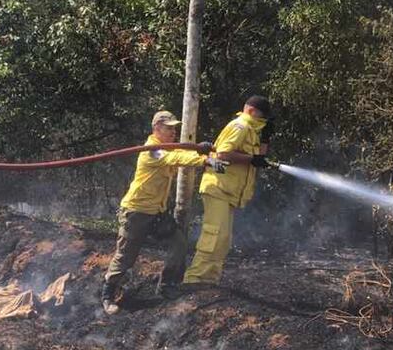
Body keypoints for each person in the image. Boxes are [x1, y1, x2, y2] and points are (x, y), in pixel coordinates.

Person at [102, 110, 227, 315]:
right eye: (168, 128)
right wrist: (205, 160)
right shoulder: (152, 150)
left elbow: (179, 155)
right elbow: (174, 157)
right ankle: (107, 295)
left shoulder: (165, 149)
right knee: (126, 256)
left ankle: (166, 285)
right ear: (156, 128)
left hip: (157, 212)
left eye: (174, 128)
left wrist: (201, 153)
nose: (173, 132)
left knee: (178, 242)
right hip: (136, 212)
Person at [182, 95, 275, 287]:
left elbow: (258, 159)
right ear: (250, 111)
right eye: (261, 117)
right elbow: (223, 154)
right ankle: (194, 279)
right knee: (213, 235)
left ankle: (210, 280)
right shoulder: (240, 126)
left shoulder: (252, 131)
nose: (263, 121)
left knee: (223, 240)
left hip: (229, 191)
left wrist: (266, 138)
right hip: (218, 187)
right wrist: (250, 159)